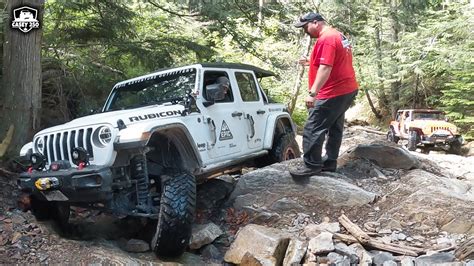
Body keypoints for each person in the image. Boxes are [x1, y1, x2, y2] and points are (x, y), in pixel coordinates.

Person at [289, 12, 358, 178]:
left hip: (332, 91)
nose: (305, 30)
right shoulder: (338, 35)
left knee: (313, 128)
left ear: (315, 22)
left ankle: (312, 165)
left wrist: (313, 93)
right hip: (347, 89)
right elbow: (335, 60)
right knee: (334, 127)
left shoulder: (326, 39)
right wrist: (310, 62)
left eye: (306, 27)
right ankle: (330, 163)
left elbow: (326, 68)